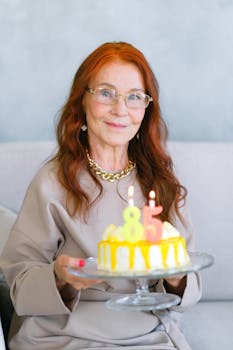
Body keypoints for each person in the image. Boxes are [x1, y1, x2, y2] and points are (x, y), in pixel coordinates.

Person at [0, 42, 201, 350]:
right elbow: (20, 285)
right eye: (106, 93)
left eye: (134, 97)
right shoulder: (52, 182)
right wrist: (59, 277)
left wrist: (176, 277)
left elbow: (189, 284)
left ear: (146, 109)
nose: (121, 109)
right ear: (82, 102)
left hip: (149, 336)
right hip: (65, 336)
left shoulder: (161, 182)